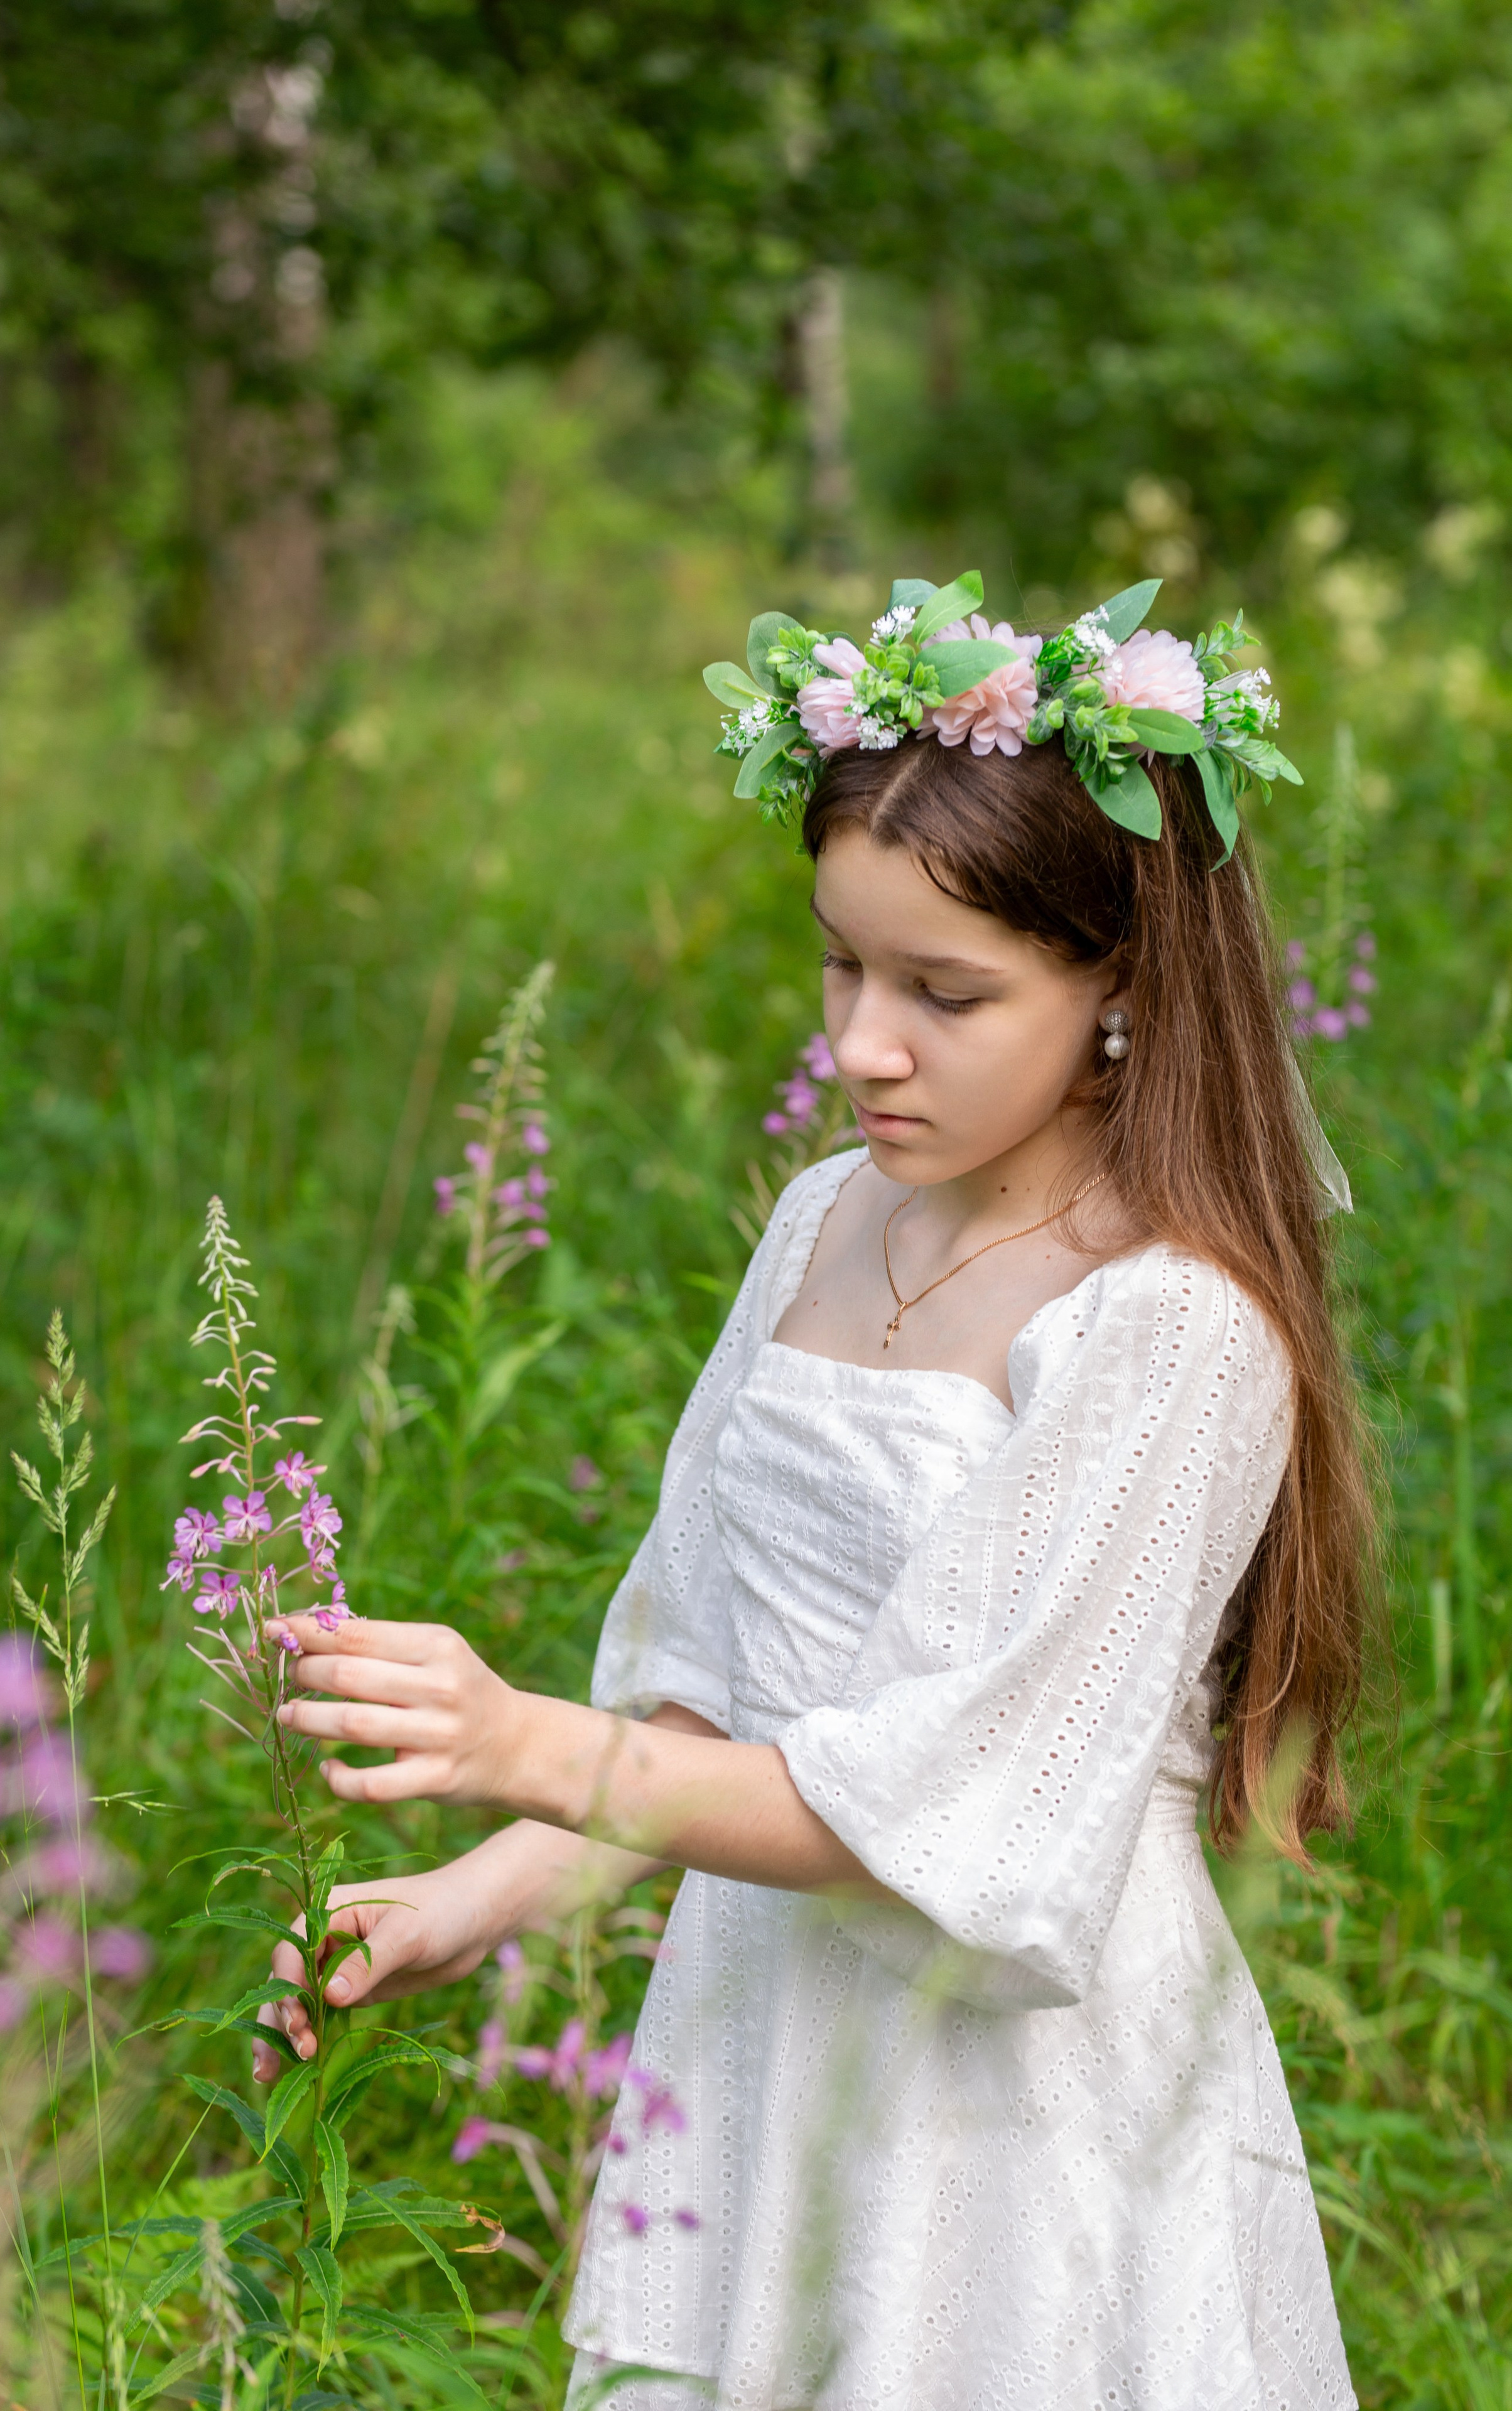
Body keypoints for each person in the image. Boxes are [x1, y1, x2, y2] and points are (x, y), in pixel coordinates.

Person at [256, 575, 1373, 2409]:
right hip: (765, 2018)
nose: (862, 1045)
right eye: (841, 964)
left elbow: (933, 1826)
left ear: (1125, 988)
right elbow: (712, 1698)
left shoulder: (1171, 1329)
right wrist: (481, 1889)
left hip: (1010, 2097)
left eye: (946, 993)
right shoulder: (820, 1225)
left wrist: (521, 1740)